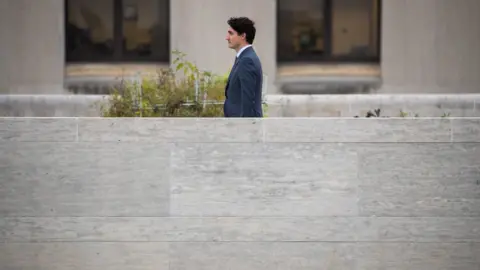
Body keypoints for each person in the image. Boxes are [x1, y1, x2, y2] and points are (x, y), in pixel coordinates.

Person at [223, 17, 263, 117]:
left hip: (243, 127)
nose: (227, 37)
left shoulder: (247, 60)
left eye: (231, 33)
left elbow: (249, 100)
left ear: (243, 36)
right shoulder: (243, 57)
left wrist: (245, 129)